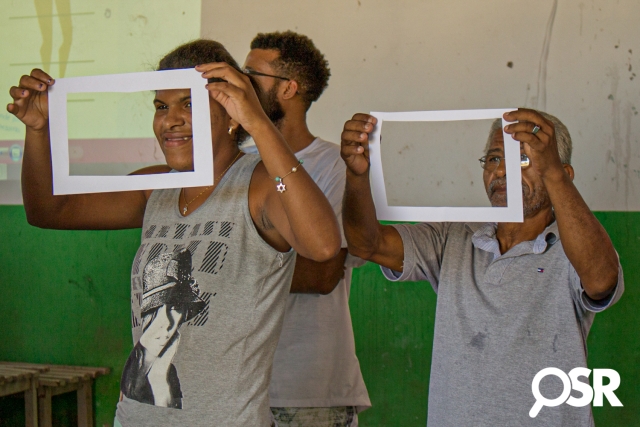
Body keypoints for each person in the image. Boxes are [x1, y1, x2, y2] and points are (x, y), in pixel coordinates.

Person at [8, 39, 341, 426]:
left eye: (189, 104)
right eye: (161, 106)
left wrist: (259, 123)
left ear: (232, 113)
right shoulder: (157, 187)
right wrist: (39, 131)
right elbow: (49, 210)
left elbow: (323, 246)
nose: (171, 120)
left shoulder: (260, 185)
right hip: (136, 418)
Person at [340, 109, 624, 426]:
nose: (502, 171)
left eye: (523, 160)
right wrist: (357, 176)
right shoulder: (454, 237)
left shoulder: (574, 246)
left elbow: (601, 280)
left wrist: (553, 175)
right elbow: (367, 245)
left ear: (562, 173)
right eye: (493, 159)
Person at [243, 31, 370, 427]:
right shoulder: (236, 165)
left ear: (289, 88)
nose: (240, 84)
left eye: (251, 75)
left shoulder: (336, 165)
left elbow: (322, 273)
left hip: (306, 392)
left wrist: (227, 268)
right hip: (237, 388)